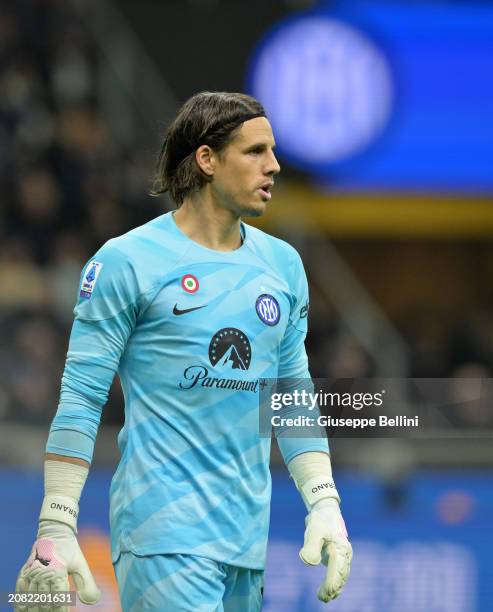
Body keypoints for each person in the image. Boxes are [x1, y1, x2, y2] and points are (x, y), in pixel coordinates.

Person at [15, 92, 352, 611]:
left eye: (273, 150)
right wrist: (57, 522)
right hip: (161, 530)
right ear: (207, 160)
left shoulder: (283, 267)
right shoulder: (126, 262)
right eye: (256, 151)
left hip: (245, 535)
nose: (275, 165)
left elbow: (291, 393)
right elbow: (81, 397)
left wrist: (324, 501)